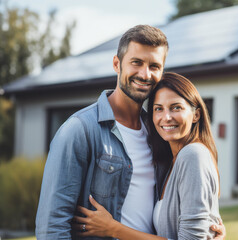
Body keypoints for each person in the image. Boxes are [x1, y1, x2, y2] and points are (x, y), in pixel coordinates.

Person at [35, 25, 225, 239]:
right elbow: (52, 226)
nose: (145, 74)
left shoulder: (160, 134)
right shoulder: (80, 129)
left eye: (154, 66)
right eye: (137, 63)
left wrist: (210, 227)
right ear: (117, 64)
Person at [72, 72, 222, 239]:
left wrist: (112, 228)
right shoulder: (170, 162)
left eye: (176, 107)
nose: (166, 117)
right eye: (159, 109)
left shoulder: (193, 155)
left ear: (196, 115)